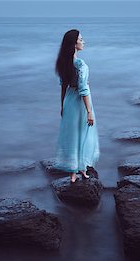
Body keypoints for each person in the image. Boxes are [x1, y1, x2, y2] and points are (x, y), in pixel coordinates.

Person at [54, 29, 100, 183]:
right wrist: (89, 111)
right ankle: (81, 168)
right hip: (80, 103)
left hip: (69, 100)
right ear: (74, 44)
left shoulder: (63, 62)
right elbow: (83, 90)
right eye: (81, 39)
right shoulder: (80, 64)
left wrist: (62, 106)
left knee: (72, 135)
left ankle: (74, 172)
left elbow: (63, 86)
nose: (83, 41)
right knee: (84, 134)